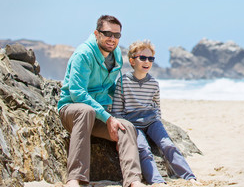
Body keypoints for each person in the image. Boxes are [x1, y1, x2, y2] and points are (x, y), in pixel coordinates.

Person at [57, 15, 146, 187]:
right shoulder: (83, 54)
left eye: (117, 35)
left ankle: (133, 180)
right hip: (73, 111)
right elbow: (77, 93)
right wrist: (108, 118)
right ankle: (74, 178)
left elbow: (110, 86)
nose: (112, 39)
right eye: (107, 34)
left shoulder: (117, 55)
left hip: (99, 115)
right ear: (96, 33)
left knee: (126, 127)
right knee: (85, 111)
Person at [110, 39, 200, 185]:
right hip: (133, 124)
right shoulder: (123, 82)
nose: (147, 61)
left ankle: (189, 176)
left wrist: (157, 121)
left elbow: (157, 106)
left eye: (151, 58)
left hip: (152, 121)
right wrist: (123, 128)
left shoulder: (153, 83)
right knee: (143, 149)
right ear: (132, 61)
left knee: (168, 145)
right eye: (143, 58)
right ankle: (157, 181)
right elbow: (117, 110)